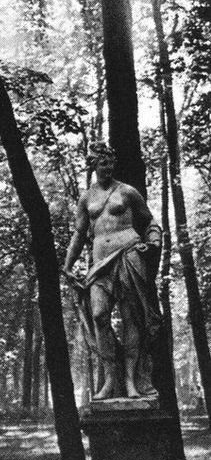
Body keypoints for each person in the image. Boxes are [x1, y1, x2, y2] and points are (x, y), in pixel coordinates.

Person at [63, 141, 162, 400]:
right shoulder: (86, 198)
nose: (107, 167)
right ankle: (110, 377)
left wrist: (154, 240)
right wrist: (67, 266)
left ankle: (130, 381)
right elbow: (78, 234)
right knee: (98, 315)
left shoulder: (127, 192)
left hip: (129, 256)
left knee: (131, 318)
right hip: (99, 263)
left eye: (110, 162)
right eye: (102, 162)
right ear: (93, 165)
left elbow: (149, 220)